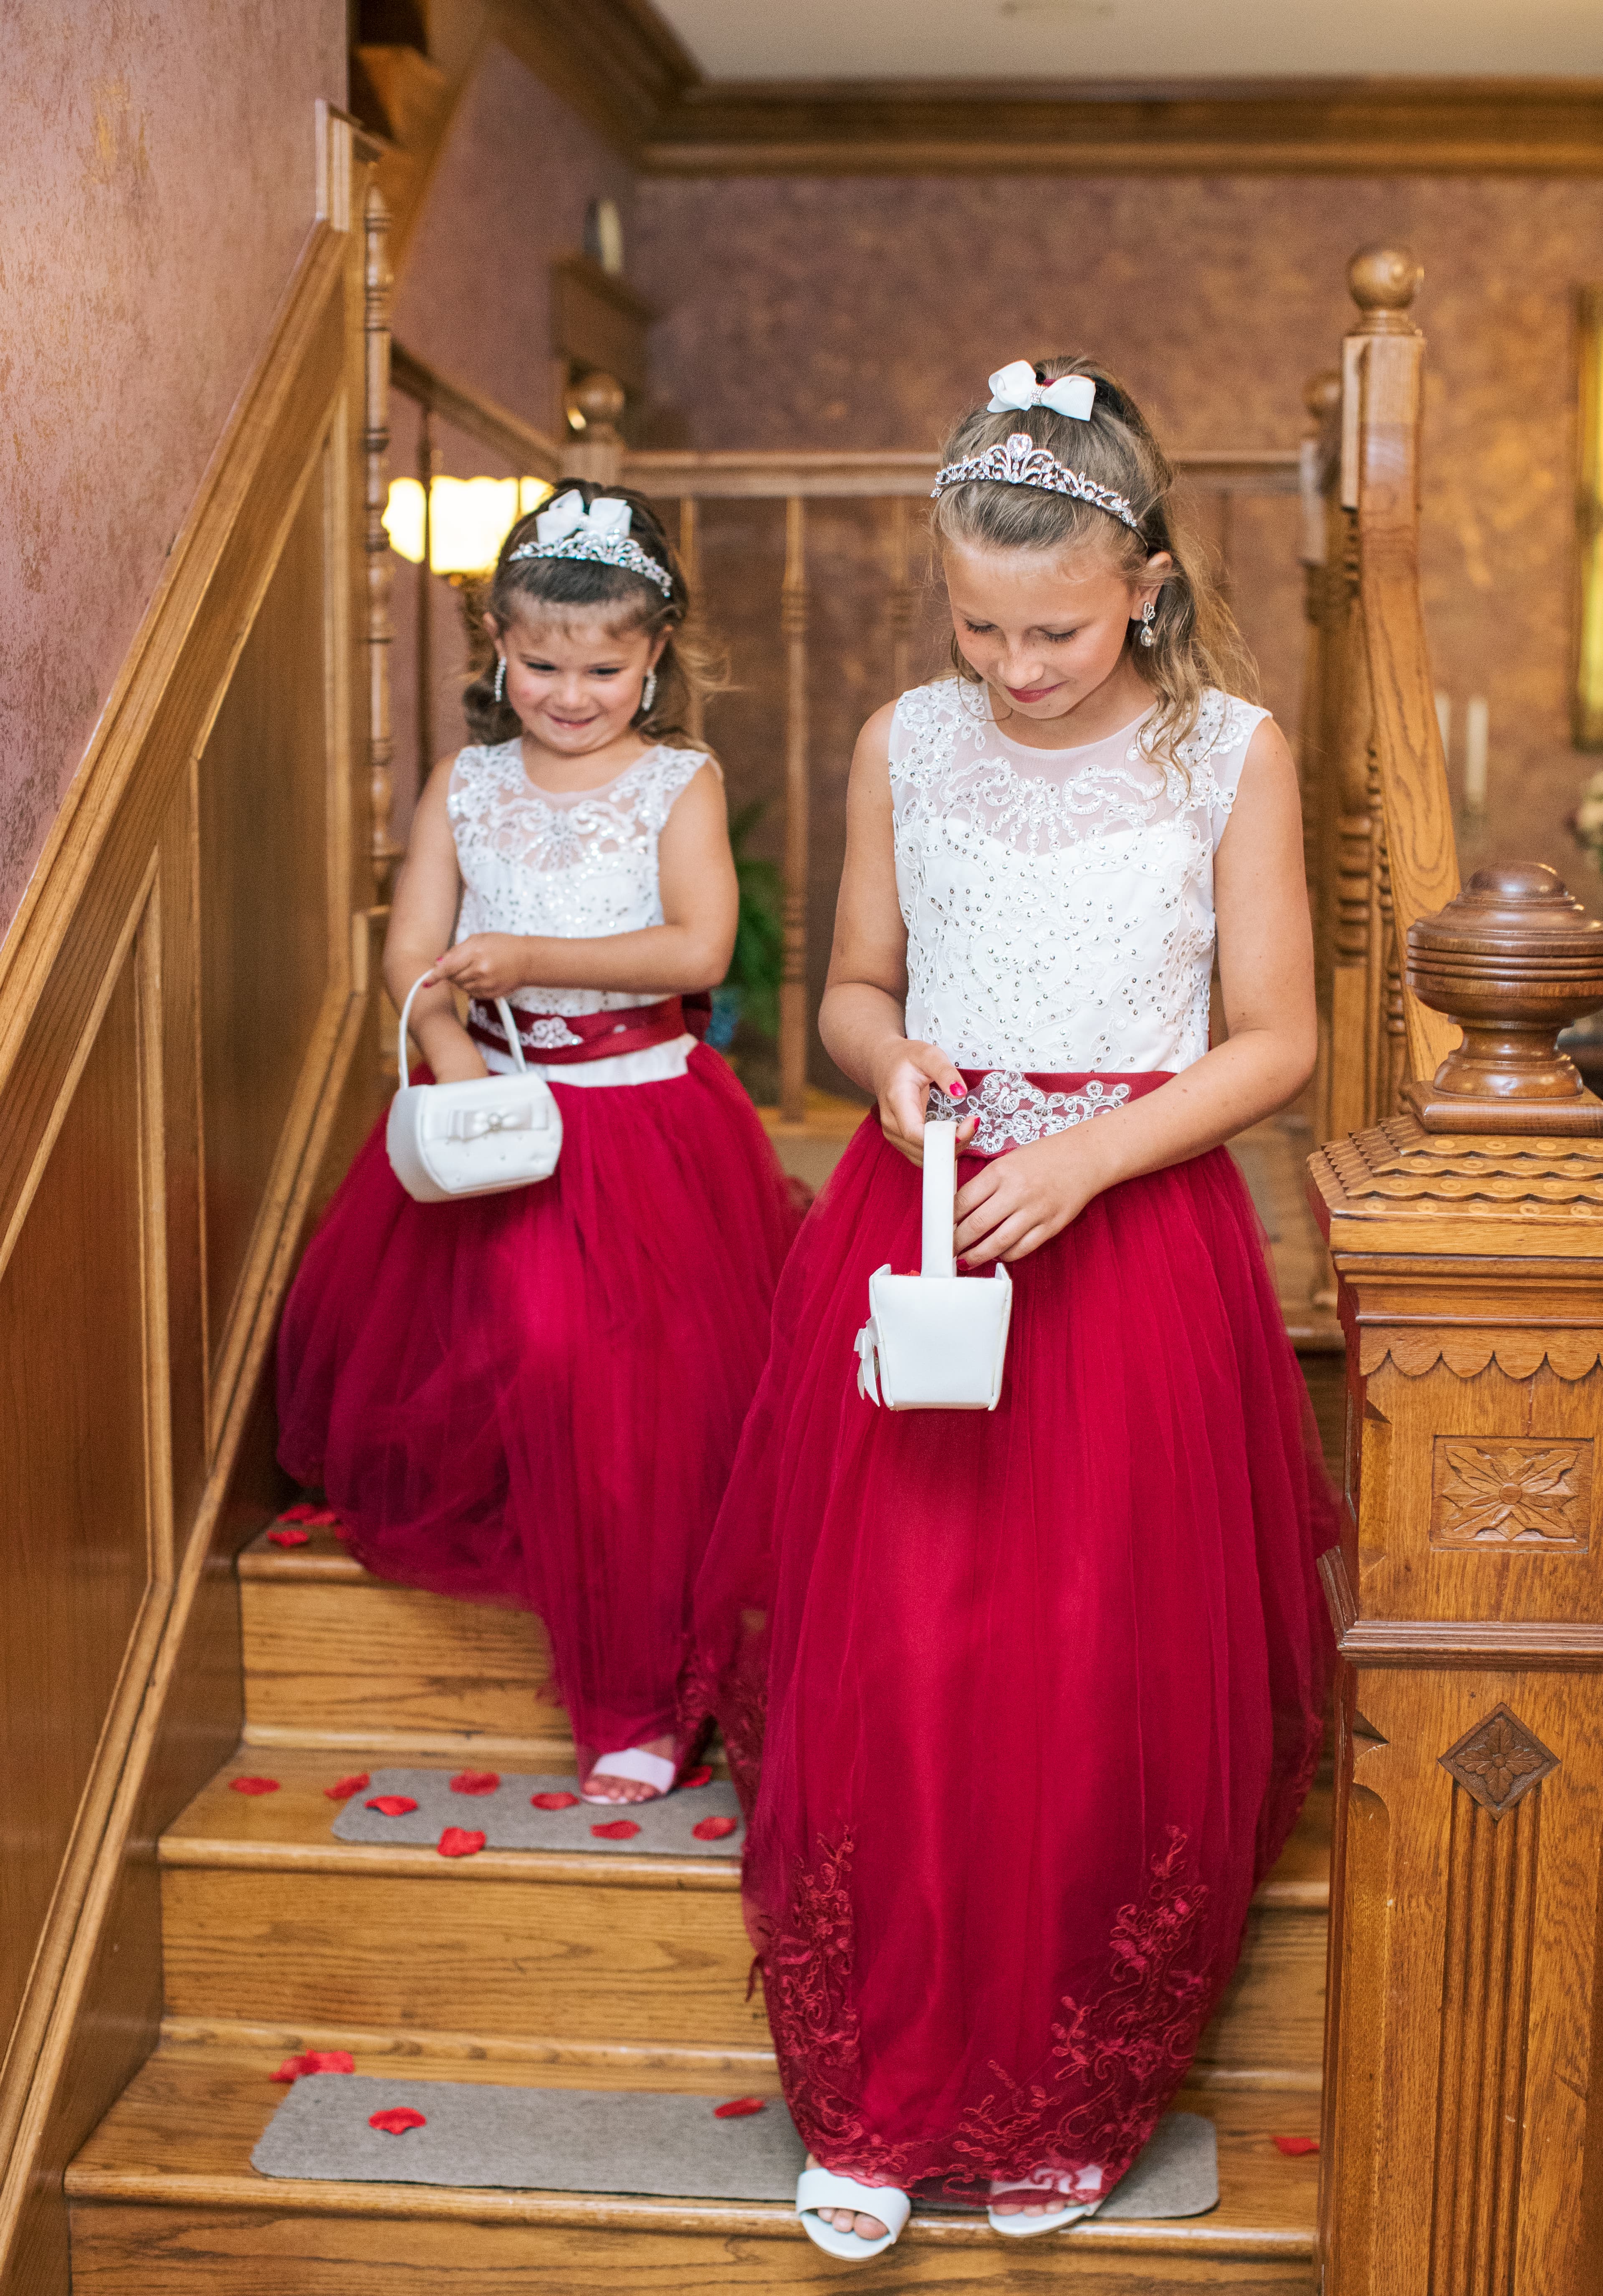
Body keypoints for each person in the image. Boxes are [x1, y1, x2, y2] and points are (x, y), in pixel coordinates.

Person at [688, 360, 1335, 2257]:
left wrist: (1099, 1151)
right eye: (977, 621)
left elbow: (1280, 1039)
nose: (1015, 660)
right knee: (897, 1648)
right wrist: (889, 1064)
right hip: (931, 1223)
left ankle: (1065, 2084)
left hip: (1126, 1244)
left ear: (1141, 576)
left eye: (1051, 624)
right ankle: (875, 2092)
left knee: (1086, 1659)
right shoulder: (910, 737)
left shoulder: (1232, 749)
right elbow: (853, 983)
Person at [278, 484, 797, 1806]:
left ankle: (644, 1697)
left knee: (628, 1389)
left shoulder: (679, 783)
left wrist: (534, 958)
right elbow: (412, 954)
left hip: (647, 1128)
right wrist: (465, 1075)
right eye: (541, 663)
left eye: (603, 668)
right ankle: (555, 1557)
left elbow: (697, 948)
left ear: (655, 658)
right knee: (526, 1352)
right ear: (498, 650)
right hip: (507, 1117)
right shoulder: (470, 780)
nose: (569, 694)